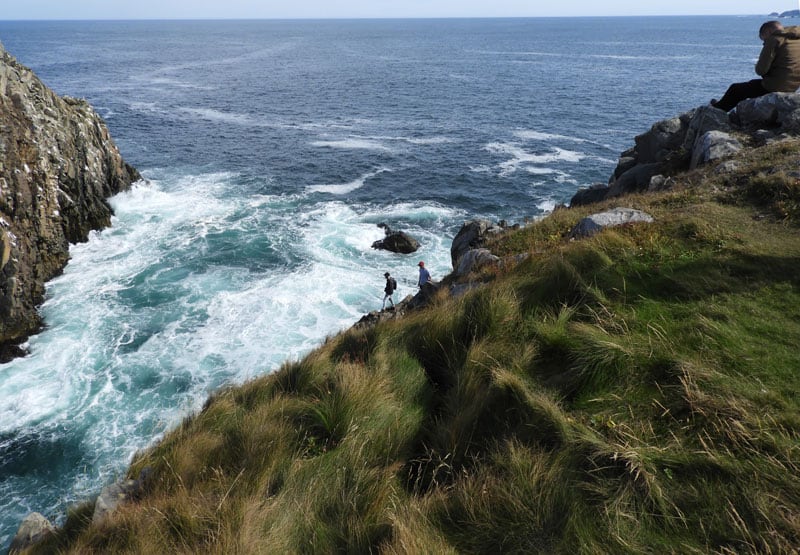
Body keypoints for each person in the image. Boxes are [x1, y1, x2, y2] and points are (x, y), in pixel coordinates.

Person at [712, 21, 800, 112]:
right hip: (793, 86)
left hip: (775, 86)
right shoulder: (796, 38)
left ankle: (717, 110)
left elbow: (761, 70)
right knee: (752, 84)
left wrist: (759, 62)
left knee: (736, 89)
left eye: (764, 40)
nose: (764, 43)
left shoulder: (774, 39)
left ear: (769, 32)